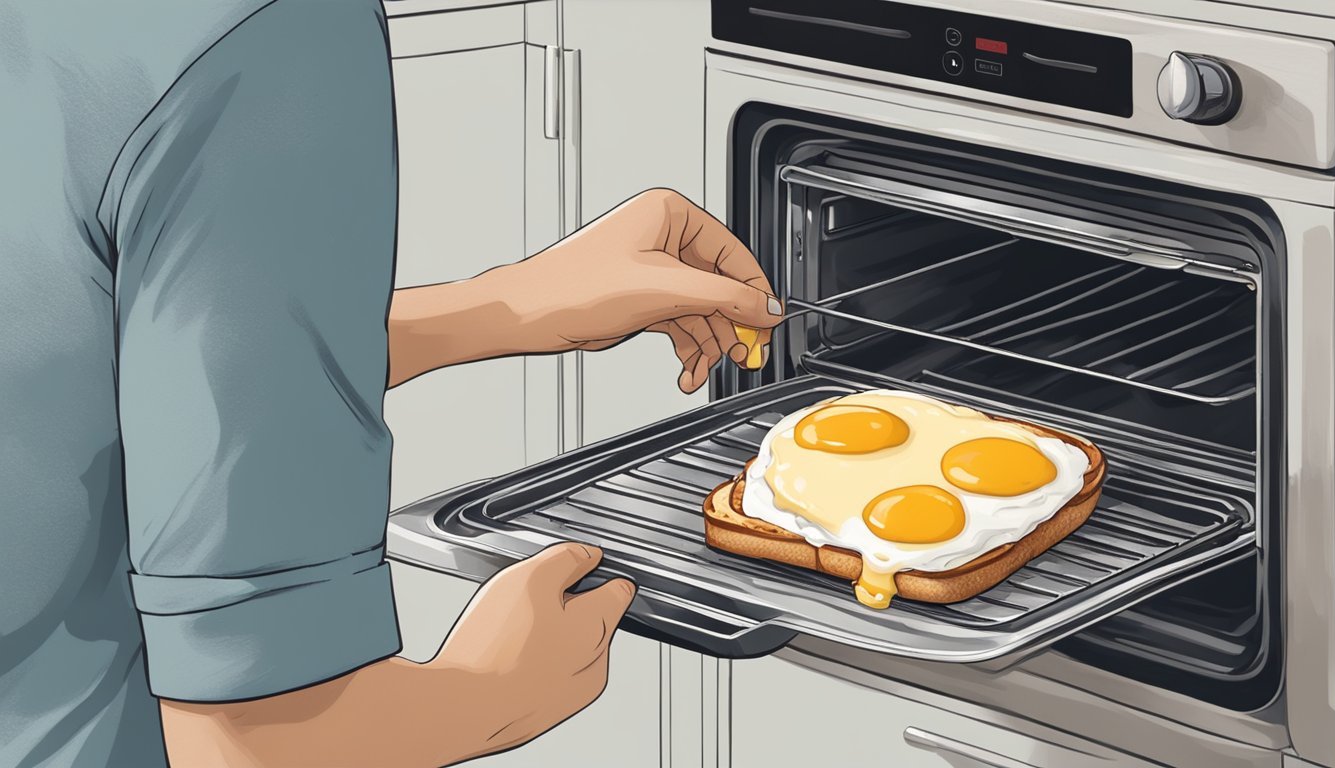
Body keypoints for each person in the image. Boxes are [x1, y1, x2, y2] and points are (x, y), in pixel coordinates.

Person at [0, 1, 780, 766]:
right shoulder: (272, 33)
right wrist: (490, 694)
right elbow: (252, 745)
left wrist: (505, 306)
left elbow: (76, 367)